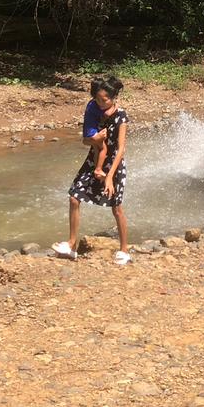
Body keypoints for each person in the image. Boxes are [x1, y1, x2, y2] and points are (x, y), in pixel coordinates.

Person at [53, 75, 131, 265]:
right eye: (97, 99)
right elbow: (86, 140)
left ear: (114, 97)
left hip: (114, 165)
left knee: (116, 208)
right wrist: (94, 140)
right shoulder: (95, 112)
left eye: (104, 100)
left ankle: (124, 250)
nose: (100, 103)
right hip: (93, 160)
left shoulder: (121, 116)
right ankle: (71, 245)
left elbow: (121, 149)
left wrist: (110, 176)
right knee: (74, 197)